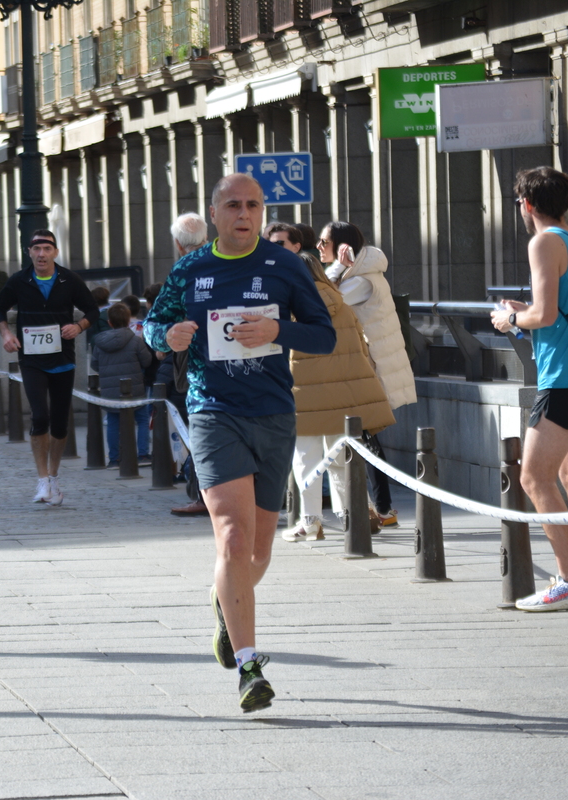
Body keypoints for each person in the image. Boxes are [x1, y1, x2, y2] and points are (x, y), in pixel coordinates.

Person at [143, 174, 335, 712]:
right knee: (231, 537)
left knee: (258, 551)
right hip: (213, 412)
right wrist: (168, 336)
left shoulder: (286, 266)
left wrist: (278, 332)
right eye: (233, 205)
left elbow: (325, 335)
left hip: (274, 413)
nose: (243, 213)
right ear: (214, 212)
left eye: (253, 204)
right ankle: (249, 665)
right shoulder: (192, 267)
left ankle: (223, 601)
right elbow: (152, 326)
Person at [491, 166, 568, 612]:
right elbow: (562, 309)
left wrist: (510, 319)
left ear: (526, 204)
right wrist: (529, 313)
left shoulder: (543, 241)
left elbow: (542, 316)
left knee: (533, 476)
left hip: (564, 377)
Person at [285, 252, 395, 542]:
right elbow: (361, 349)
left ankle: (310, 522)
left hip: (304, 397)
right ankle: (352, 513)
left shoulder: (290, 309)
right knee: (339, 458)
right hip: (341, 398)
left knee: (306, 460)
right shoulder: (342, 305)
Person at [319, 220, 416, 528]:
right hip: (363, 368)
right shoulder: (359, 274)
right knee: (365, 435)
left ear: (342, 248)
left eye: (325, 242)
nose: (320, 247)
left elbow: (325, 304)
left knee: (366, 435)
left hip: (368, 370)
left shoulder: (361, 280)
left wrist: (336, 268)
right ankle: (382, 508)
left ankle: (382, 509)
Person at [0, 230, 99, 506]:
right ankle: (42, 479)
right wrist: (6, 334)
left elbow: (92, 311)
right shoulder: (19, 280)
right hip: (32, 360)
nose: (41, 254)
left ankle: (54, 477)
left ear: (55, 252)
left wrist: (78, 326)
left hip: (63, 359)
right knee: (40, 416)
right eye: (36, 248)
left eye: (47, 248)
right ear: (29, 252)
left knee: (60, 421)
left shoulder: (69, 279)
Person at [160, 212, 211, 518]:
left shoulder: (182, 270)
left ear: (178, 244)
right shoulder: (225, 261)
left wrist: (166, 338)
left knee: (199, 431)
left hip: (196, 366)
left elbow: (159, 323)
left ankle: (202, 495)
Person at [92, 302, 153, 467]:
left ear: (109, 322)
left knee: (113, 421)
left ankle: (114, 458)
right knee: (142, 419)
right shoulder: (135, 341)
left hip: (110, 390)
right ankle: (143, 454)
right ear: (128, 321)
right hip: (134, 388)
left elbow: (94, 365)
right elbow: (147, 361)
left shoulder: (100, 342)